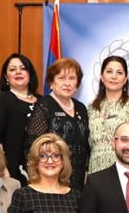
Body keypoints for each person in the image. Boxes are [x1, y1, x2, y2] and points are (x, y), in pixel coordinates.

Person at [26, 58, 90, 189]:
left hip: (78, 180)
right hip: (52, 178)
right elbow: (32, 146)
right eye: (61, 78)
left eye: (72, 78)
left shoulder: (81, 108)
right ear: (51, 82)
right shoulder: (44, 105)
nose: (67, 83)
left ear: (77, 84)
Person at [87, 56, 129, 173]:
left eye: (119, 72)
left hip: (124, 171)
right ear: (102, 77)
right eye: (109, 71)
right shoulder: (91, 107)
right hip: (96, 170)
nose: (114, 76)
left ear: (125, 79)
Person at [0, 53, 40, 185]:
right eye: (12, 69)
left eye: (23, 68)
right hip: (11, 170)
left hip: (42, 169)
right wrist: (3, 168)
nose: (18, 72)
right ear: (6, 77)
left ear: (30, 74)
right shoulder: (1, 100)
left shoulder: (44, 102)